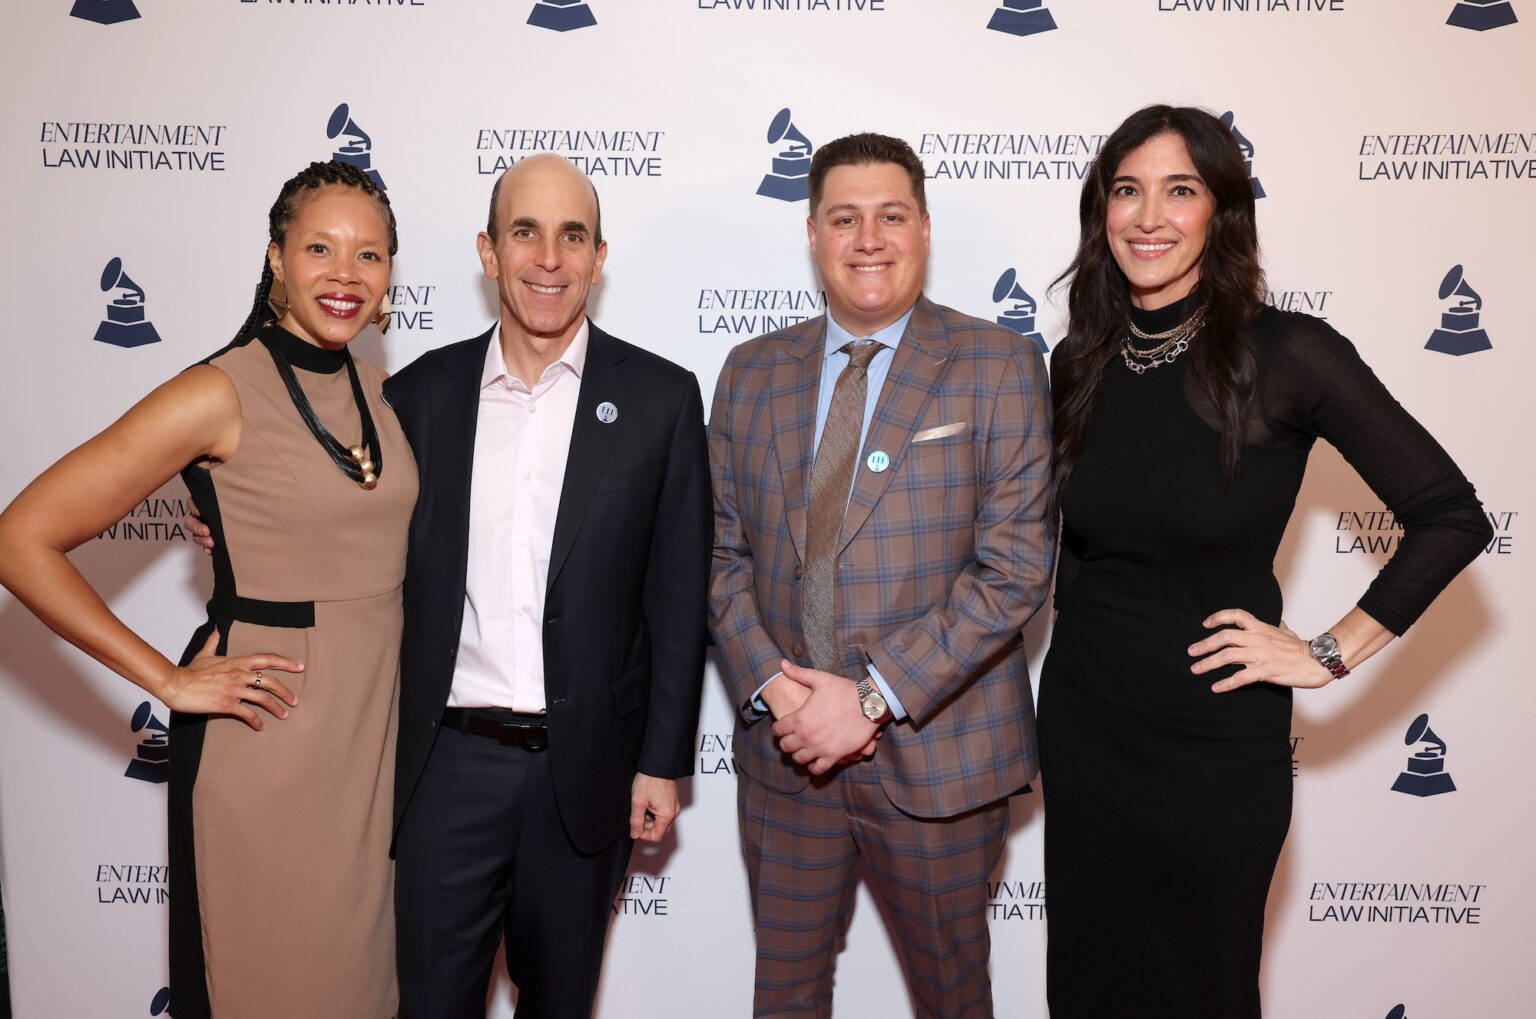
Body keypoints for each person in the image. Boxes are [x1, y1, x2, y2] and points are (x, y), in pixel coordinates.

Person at [1039, 105, 1492, 1017]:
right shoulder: (1076, 361)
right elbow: (1081, 557)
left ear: (1222, 211)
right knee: (1088, 988)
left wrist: (1326, 650)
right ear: (1101, 211)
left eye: (1180, 190)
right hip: (1087, 731)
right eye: (1127, 191)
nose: (1149, 216)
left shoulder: (1287, 354)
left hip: (1213, 744)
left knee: (1202, 987)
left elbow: (1450, 515)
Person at [0, 161, 414, 1018]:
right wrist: (167, 678)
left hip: (373, 753)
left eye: (370, 256)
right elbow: (20, 538)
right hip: (272, 744)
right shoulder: (217, 390)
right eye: (321, 248)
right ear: (275, 259)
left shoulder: (381, 390)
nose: (346, 274)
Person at [708, 133, 1054, 1018]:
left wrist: (866, 700)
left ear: (925, 230)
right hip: (787, 766)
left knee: (953, 1001)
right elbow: (717, 554)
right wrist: (780, 694)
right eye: (845, 218)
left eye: (891, 216)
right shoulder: (749, 373)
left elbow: (1014, 571)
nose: (869, 238)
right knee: (783, 1000)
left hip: (938, 763)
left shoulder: (1001, 365)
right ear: (814, 235)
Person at [383, 154, 710, 1019]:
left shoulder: (661, 399)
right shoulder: (416, 396)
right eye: (525, 232)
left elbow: (679, 599)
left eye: (573, 236)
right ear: (488, 252)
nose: (549, 259)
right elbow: (342, 525)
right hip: (444, 768)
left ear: (601, 257)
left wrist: (663, 762)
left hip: (588, 775)